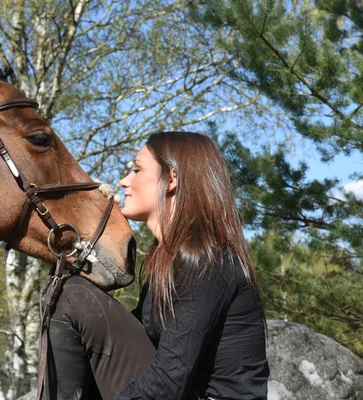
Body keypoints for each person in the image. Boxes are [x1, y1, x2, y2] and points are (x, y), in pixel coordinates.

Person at [46, 131, 269, 400]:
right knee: (69, 293)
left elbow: (168, 381)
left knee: (75, 297)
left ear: (171, 178)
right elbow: (129, 342)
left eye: (137, 170)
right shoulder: (168, 258)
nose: (124, 181)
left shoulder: (206, 261)